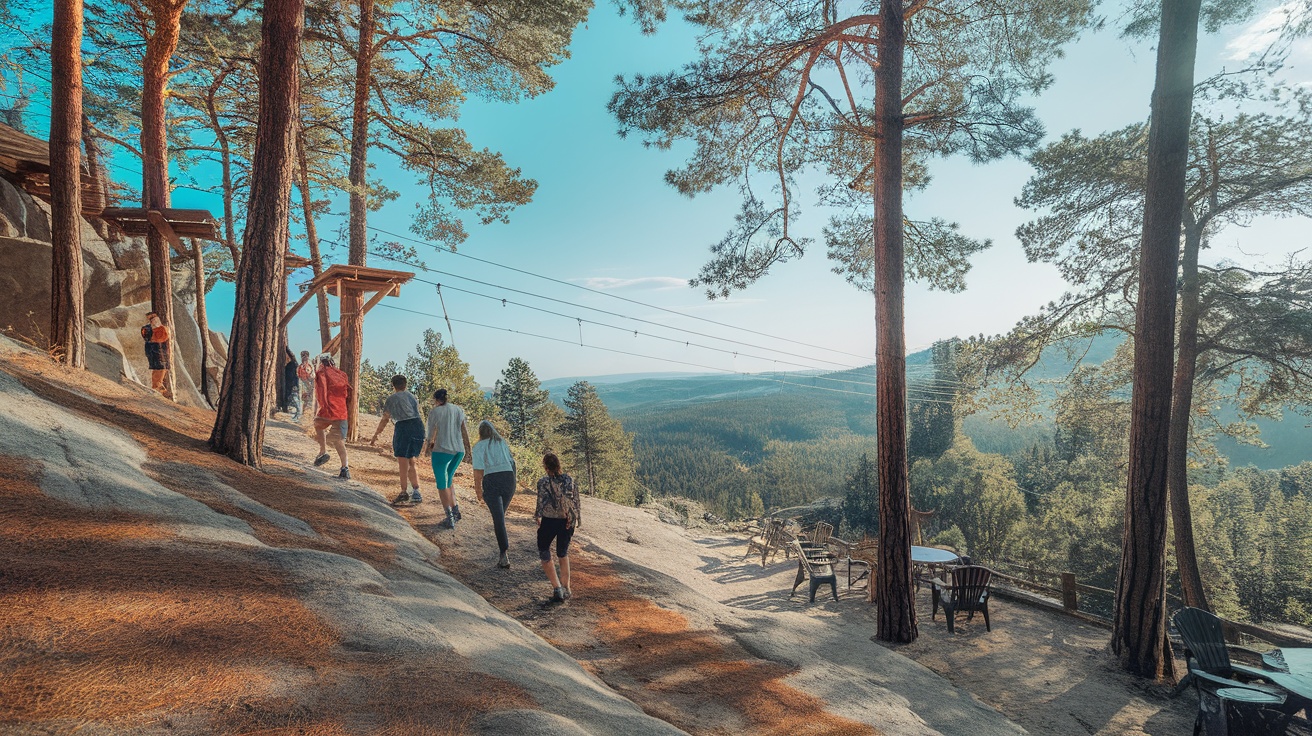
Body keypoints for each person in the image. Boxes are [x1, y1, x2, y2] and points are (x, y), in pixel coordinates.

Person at [370, 374, 425, 506]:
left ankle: (404, 491)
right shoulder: (412, 397)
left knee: (402, 461)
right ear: (405, 384)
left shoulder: (392, 399)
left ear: (393, 385)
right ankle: (416, 491)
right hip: (417, 426)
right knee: (411, 459)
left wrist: (376, 434)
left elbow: (385, 418)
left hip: (403, 427)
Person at [535, 453, 581, 603]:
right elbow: (576, 502)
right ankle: (566, 587)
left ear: (546, 467)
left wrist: (538, 516)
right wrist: (574, 520)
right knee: (562, 552)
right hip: (566, 520)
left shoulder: (543, 482)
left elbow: (540, 503)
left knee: (544, 551)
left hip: (549, 520)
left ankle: (557, 588)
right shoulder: (570, 480)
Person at [424, 388, 471, 529]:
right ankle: (455, 510)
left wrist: (427, 448)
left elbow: (431, 432)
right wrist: (468, 449)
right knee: (449, 479)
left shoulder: (435, 412)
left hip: (442, 450)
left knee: (442, 484)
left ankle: (449, 517)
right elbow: (464, 429)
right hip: (459, 450)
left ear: (436, 400)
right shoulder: (458, 409)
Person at [471, 420, 516, 568]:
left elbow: (478, 471)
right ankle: (503, 552)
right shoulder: (501, 442)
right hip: (509, 478)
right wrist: (513, 482)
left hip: (491, 480)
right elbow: (512, 462)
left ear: (480, 433)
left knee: (498, 519)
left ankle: (504, 554)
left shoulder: (478, 446)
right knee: (500, 517)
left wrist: (478, 491)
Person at [313, 353, 351, 479]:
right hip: (341, 411)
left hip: (328, 410)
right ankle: (345, 468)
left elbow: (322, 391)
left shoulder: (321, 373)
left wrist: (324, 405)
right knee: (338, 440)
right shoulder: (342, 374)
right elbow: (348, 392)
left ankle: (323, 451)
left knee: (318, 424)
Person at [141, 311, 171, 397]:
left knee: (161, 369)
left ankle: (159, 388)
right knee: (158, 369)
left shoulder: (163, 328)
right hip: (155, 351)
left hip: (160, 351)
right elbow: (149, 338)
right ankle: (157, 388)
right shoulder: (147, 329)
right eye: (151, 319)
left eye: (154, 318)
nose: (154, 321)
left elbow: (164, 336)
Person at [282, 348, 301, 420]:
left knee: (294, 400)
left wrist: (294, 385)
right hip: (289, 384)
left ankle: (297, 414)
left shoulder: (293, 364)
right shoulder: (290, 365)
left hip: (292, 385)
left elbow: (295, 376)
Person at [297, 351, 316, 419]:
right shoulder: (300, 367)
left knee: (310, 400)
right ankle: (303, 414)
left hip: (309, 385)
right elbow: (300, 376)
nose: (305, 358)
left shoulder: (309, 366)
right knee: (305, 399)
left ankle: (308, 414)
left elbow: (311, 376)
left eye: (306, 356)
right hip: (304, 385)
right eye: (303, 356)